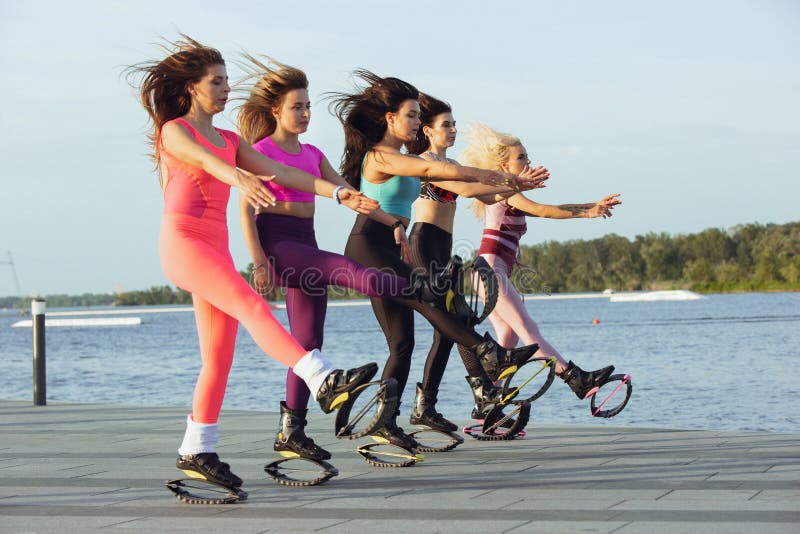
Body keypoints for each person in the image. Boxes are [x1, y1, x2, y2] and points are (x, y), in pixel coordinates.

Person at [128, 36, 385, 489]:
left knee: (219, 358)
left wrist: (338, 192)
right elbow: (206, 162)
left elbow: (284, 174)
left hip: (214, 246)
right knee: (252, 306)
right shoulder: (175, 130)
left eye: (227, 80)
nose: (227, 89)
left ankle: (196, 449)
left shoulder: (229, 138)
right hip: (183, 242)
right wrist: (238, 177)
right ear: (191, 88)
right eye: (217, 81)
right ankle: (321, 378)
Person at [235, 56, 459, 461]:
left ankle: (292, 431)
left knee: (308, 346)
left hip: (307, 241)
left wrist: (390, 220)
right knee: (363, 276)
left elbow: (350, 197)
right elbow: (245, 211)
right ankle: (421, 285)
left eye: (307, 106)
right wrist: (258, 261)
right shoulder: (260, 152)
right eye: (296, 107)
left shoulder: (313, 153)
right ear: (275, 111)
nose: (304, 114)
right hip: (282, 248)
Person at [329, 71, 545, 449]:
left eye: (417, 116)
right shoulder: (381, 155)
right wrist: (504, 176)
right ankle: (487, 354)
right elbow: (434, 170)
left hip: (389, 246)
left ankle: (387, 421)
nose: (416, 122)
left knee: (402, 343)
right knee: (430, 301)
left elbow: (445, 185)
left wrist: (397, 227)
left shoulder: (398, 157)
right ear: (390, 118)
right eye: (411, 116)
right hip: (367, 248)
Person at [404, 94, 549, 423]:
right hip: (423, 244)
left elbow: (485, 193)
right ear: (427, 130)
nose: (453, 130)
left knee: (454, 328)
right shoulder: (425, 162)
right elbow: (467, 190)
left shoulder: (452, 165)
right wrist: (513, 180)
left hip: (444, 247)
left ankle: (431, 406)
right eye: (446, 125)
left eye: (454, 124)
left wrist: (515, 186)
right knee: (457, 322)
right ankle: (476, 397)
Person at [461, 123, 622, 400]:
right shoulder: (505, 190)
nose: (528, 161)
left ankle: (489, 398)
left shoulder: (510, 193)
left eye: (527, 156)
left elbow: (552, 208)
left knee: (508, 340)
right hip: (489, 271)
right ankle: (574, 377)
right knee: (528, 330)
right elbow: (543, 211)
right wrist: (586, 214)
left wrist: (591, 207)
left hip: (490, 272)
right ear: (503, 164)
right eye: (521, 157)